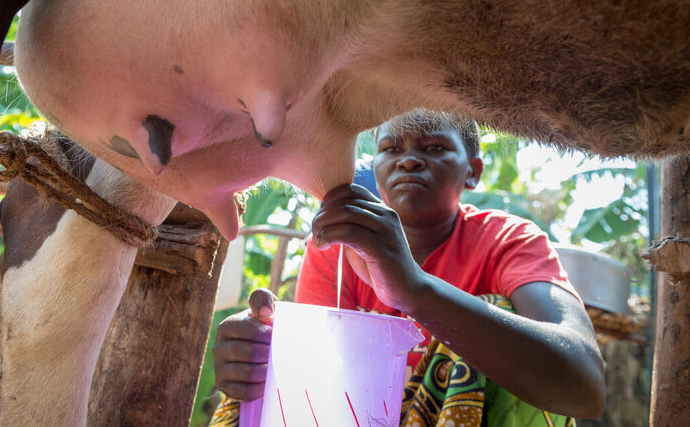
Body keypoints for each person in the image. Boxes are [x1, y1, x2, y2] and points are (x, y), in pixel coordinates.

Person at [211, 110, 605, 425]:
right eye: (390, 148)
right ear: (376, 164)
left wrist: (414, 289)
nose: (410, 160)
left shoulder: (507, 239)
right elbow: (319, 381)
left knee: (489, 320)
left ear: (473, 171)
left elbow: (585, 385)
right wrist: (261, 353)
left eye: (434, 147)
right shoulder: (337, 246)